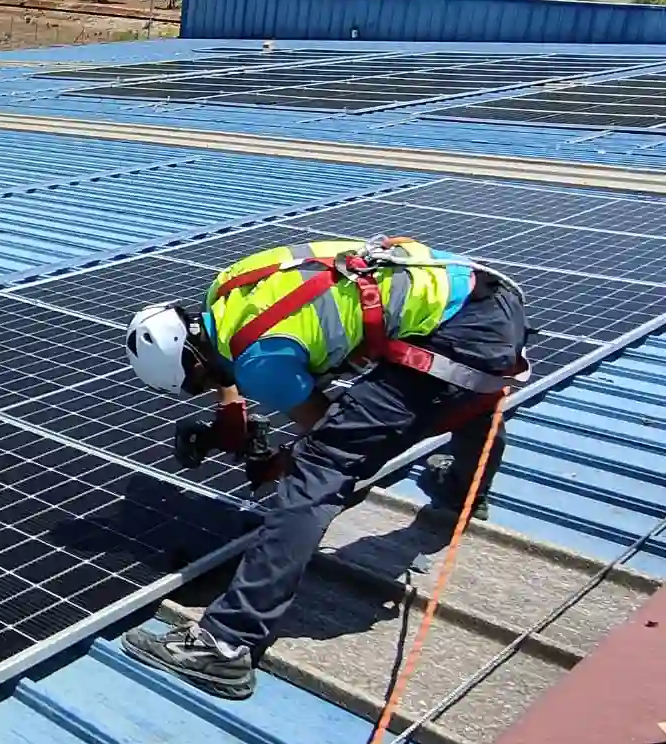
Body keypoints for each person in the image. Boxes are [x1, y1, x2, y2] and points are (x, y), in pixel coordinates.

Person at [119, 236, 528, 700]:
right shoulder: (229, 288)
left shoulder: (260, 364)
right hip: (486, 294)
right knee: (464, 392)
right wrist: (231, 413)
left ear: (194, 361)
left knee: (319, 471)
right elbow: (233, 356)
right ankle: (464, 491)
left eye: (200, 383)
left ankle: (225, 645)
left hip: (464, 341)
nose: (210, 387)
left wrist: (280, 462)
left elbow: (323, 427)